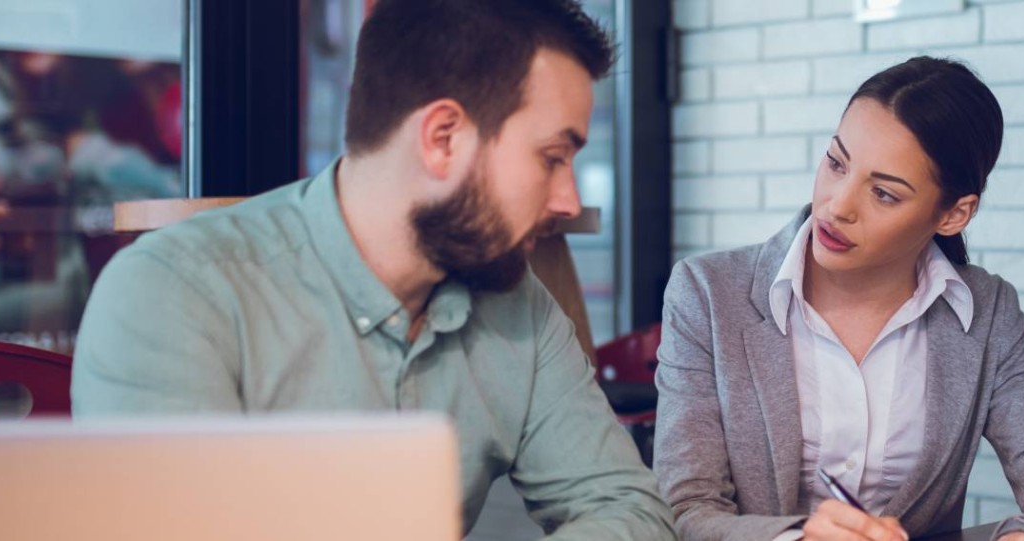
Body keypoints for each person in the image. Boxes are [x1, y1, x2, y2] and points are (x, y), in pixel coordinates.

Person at [71, 0, 674, 538]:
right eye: (552, 157)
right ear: (442, 137)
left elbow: (629, 508)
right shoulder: (173, 295)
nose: (569, 199)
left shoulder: (519, 305)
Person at [653, 57, 1024, 541]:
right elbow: (684, 510)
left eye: (884, 194)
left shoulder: (986, 312)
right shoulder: (707, 294)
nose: (838, 206)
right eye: (836, 163)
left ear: (954, 215)